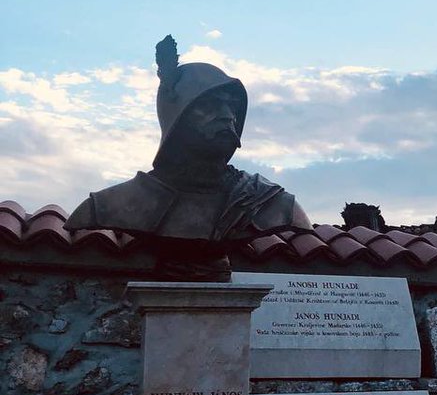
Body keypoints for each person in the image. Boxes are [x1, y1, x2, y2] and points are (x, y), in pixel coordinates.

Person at [66, 36, 311, 277]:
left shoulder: (272, 203)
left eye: (232, 106)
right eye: (210, 105)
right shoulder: (111, 205)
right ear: (176, 118)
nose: (228, 116)